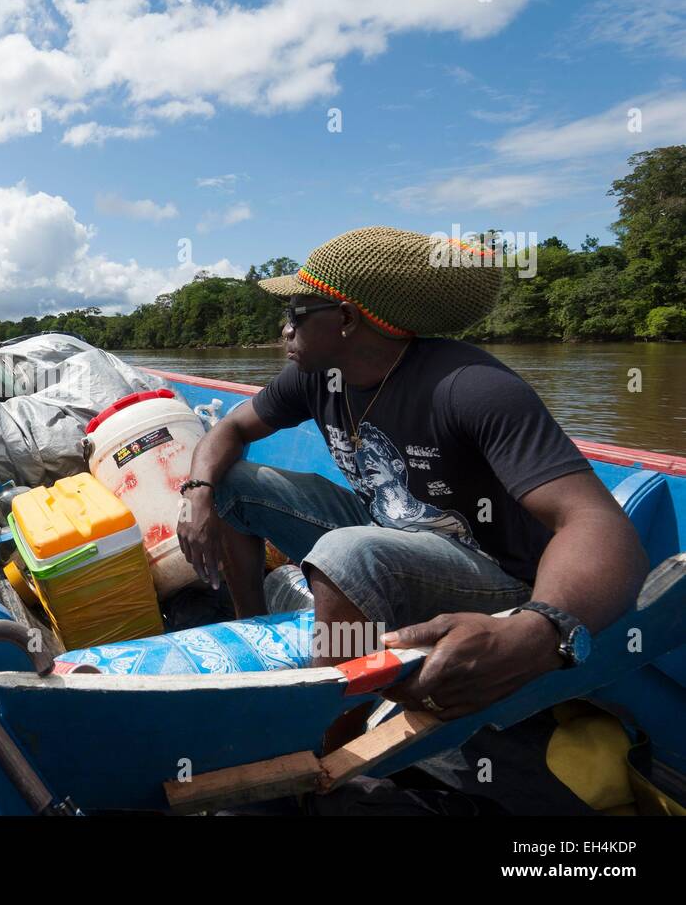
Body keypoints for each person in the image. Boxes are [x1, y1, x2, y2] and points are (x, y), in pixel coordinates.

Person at [176, 226, 648, 755]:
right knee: (232, 482)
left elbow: (598, 524)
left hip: (493, 574)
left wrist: (541, 628)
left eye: (297, 311)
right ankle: (254, 628)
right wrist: (197, 489)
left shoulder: (470, 387)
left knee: (347, 553)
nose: (284, 327)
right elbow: (231, 430)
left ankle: (326, 737)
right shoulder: (317, 374)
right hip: (391, 525)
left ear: (347, 319)